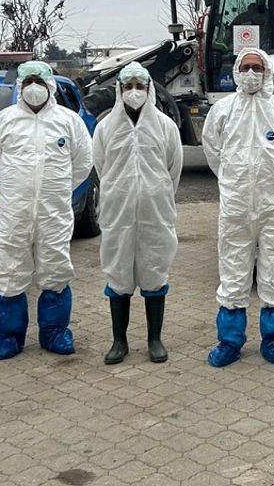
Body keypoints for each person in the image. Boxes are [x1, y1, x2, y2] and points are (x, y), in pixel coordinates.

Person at [201, 47, 274, 367]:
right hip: (235, 206)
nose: (251, 73)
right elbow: (213, 151)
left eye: (256, 67)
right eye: (245, 67)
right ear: (236, 71)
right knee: (233, 273)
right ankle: (230, 341)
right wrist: (234, 181)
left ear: (266, 72)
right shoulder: (222, 111)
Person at [0, 61, 92, 360]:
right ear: (20, 85)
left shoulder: (68, 121)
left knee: (56, 269)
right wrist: (18, 188)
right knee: (9, 271)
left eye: (39, 80)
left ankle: (55, 332)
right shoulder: (4, 120)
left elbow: (83, 162)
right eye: (28, 80)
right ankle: (9, 335)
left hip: (52, 212)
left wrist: (55, 190)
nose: (34, 86)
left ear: (51, 85)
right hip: (12, 212)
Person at [91, 62, 184, 364]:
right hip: (117, 214)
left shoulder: (165, 126)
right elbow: (100, 166)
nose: (134, 92)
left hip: (155, 213)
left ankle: (154, 340)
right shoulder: (105, 128)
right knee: (118, 273)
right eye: (128, 86)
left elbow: (174, 170)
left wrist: (156, 193)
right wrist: (120, 191)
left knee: (154, 271)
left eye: (139, 86)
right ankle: (119, 341)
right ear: (119, 90)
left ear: (149, 90)